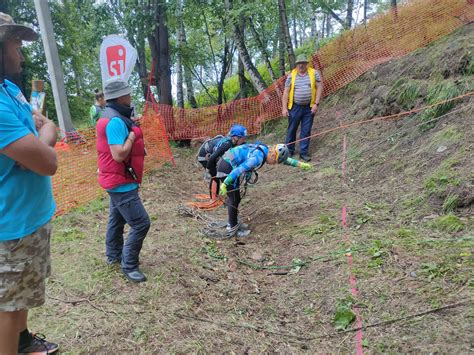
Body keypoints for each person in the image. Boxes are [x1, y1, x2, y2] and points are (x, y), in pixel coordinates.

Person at [0, 12, 59, 355]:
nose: (20, 54)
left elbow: (42, 124)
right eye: (14, 44)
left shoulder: (9, 88)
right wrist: (44, 136)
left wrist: (42, 136)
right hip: (11, 226)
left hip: (30, 217)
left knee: (20, 294)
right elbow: (47, 161)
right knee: (6, 306)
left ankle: (22, 342)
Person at [96, 78, 150, 283]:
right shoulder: (115, 121)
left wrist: (131, 127)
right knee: (141, 223)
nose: (130, 96)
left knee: (116, 219)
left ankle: (113, 256)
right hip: (120, 182)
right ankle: (129, 265)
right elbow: (119, 154)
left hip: (116, 179)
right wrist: (132, 137)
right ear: (120, 97)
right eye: (128, 93)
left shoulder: (113, 116)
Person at [217, 143, 312, 237]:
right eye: (275, 161)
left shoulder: (267, 149)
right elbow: (239, 170)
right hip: (227, 167)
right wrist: (225, 183)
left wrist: (300, 164)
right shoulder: (257, 158)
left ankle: (234, 221)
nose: (274, 164)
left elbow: (284, 160)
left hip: (229, 163)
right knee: (234, 199)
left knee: (236, 197)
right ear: (272, 154)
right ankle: (232, 228)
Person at [281, 54, 324, 162]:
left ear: (306, 63)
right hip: (294, 107)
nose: (301, 65)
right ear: (296, 64)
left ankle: (303, 153)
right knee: (292, 129)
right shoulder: (291, 75)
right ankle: (289, 151)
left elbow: (319, 87)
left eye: (303, 63)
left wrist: (316, 104)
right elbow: (286, 92)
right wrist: (284, 108)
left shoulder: (314, 73)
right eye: (299, 63)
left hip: (309, 108)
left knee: (306, 130)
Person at [196, 124, 247, 198]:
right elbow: (212, 158)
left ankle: (231, 192)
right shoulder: (227, 145)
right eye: (243, 138)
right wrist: (208, 170)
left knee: (226, 172)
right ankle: (213, 199)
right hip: (205, 156)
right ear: (236, 137)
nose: (244, 140)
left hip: (213, 154)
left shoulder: (235, 142)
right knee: (215, 176)